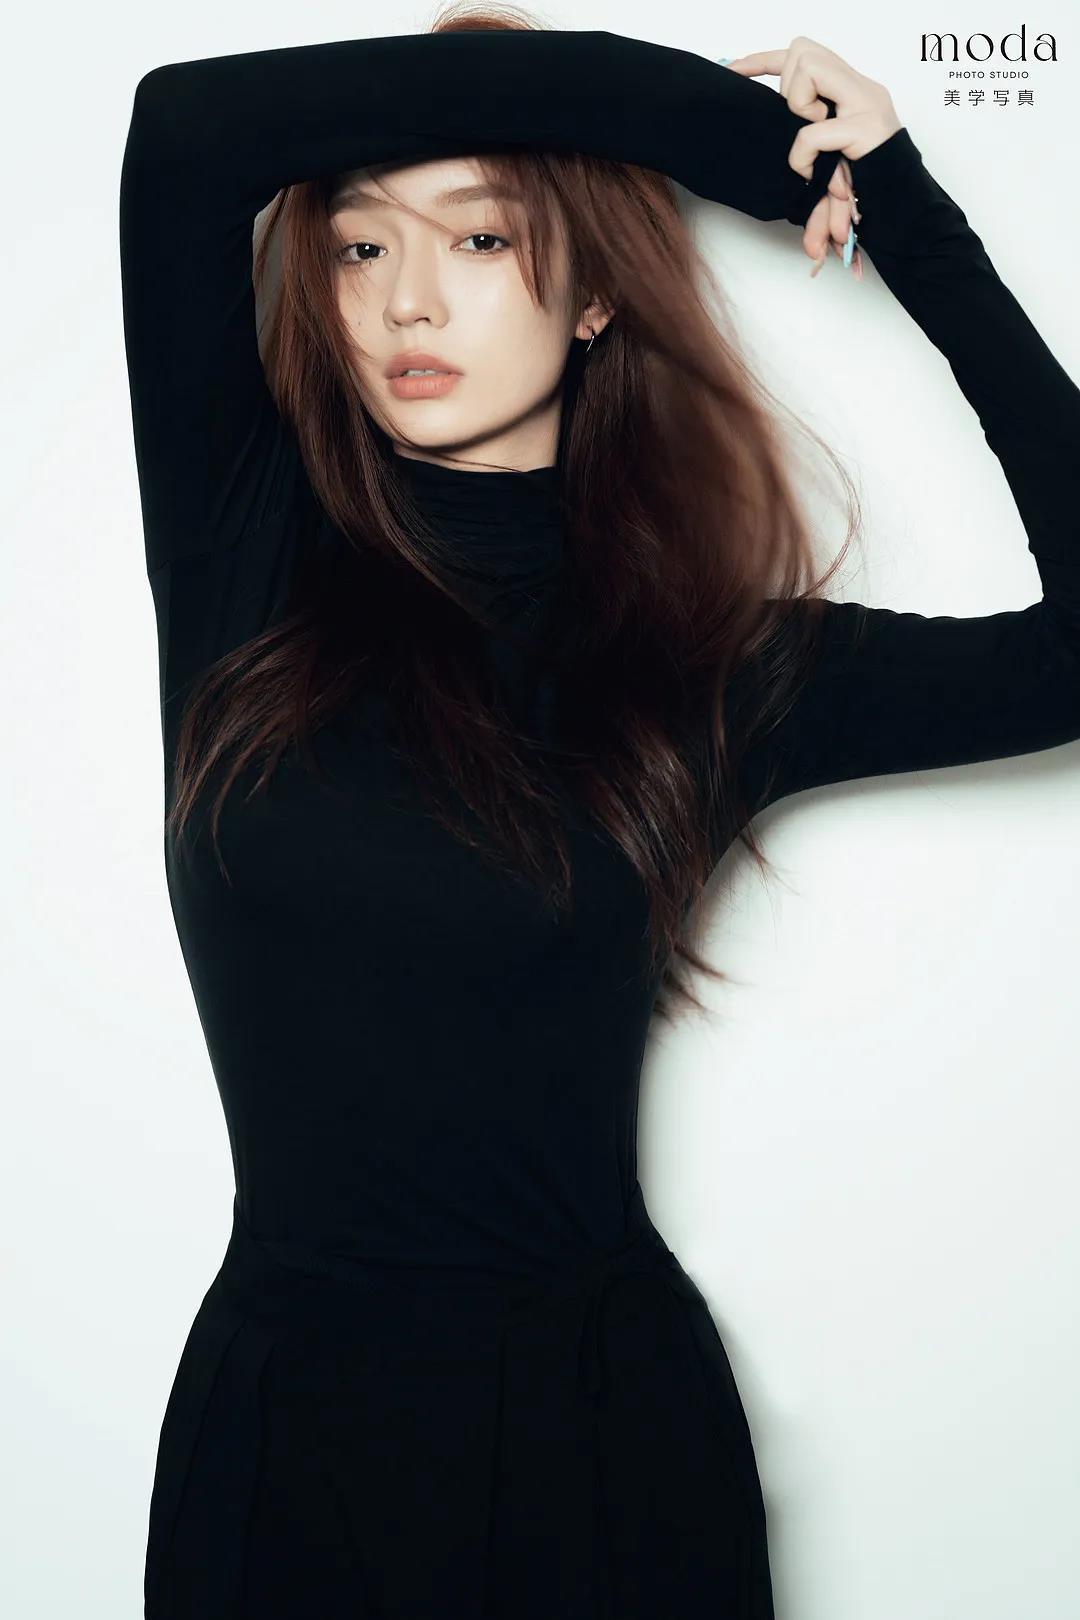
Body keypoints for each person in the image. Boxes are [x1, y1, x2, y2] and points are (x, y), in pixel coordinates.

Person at [118, 10, 1079, 1618]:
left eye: (483, 236)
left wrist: (908, 212)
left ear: (597, 293)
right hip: (282, 1446)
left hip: (600, 1452)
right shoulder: (248, 563)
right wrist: (686, 120)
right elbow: (186, 128)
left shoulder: (718, 665)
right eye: (357, 244)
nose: (404, 299)